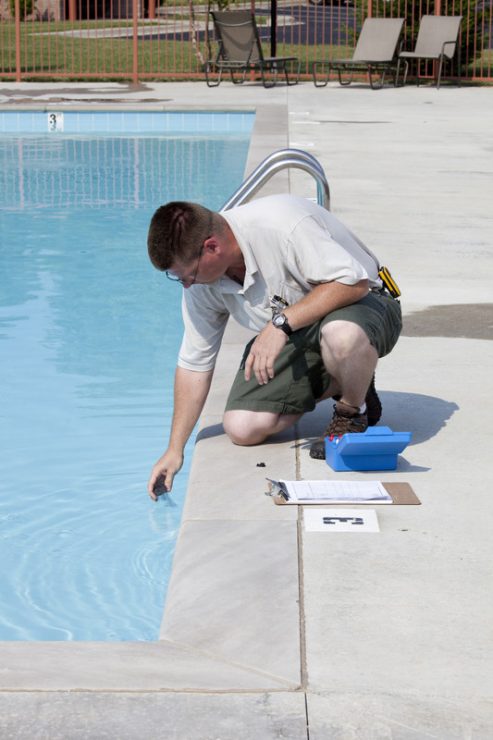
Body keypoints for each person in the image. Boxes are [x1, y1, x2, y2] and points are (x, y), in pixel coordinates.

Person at [146, 194, 402, 500]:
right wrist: (175, 450)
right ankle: (345, 377)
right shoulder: (203, 284)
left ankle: (352, 411)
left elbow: (353, 283)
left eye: (186, 275)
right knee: (242, 427)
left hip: (364, 304)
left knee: (342, 336)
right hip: (299, 329)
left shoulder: (283, 226)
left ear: (212, 247)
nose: (186, 285)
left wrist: (281, 324)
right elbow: (194, 363)